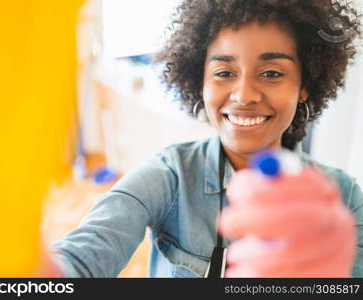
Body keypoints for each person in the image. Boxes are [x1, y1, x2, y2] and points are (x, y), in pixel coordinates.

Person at [50, 0, 363, 277]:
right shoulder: (171, 175)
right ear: (199, 82)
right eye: (225, 73)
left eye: (271, 73)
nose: (244, 95)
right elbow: (83, 255)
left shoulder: (345, 198)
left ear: (304, 85)